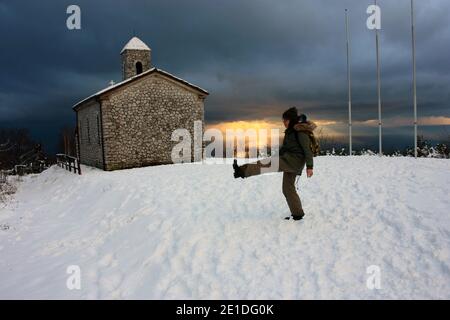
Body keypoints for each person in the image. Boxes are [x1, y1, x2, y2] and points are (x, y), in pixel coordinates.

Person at [233, 107, 316, 221]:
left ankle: (242, 171)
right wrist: (274, 157)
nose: (283, 122)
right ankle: (298, 214)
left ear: (291, 120)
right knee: (287, 188)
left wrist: (310, 167)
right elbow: (285, 148)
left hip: (293, 161)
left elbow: (307, 150)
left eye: (285, 120)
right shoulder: (291, 131)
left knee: (265, 165)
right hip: (290, 160)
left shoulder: (300, 131)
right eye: (283, 120)